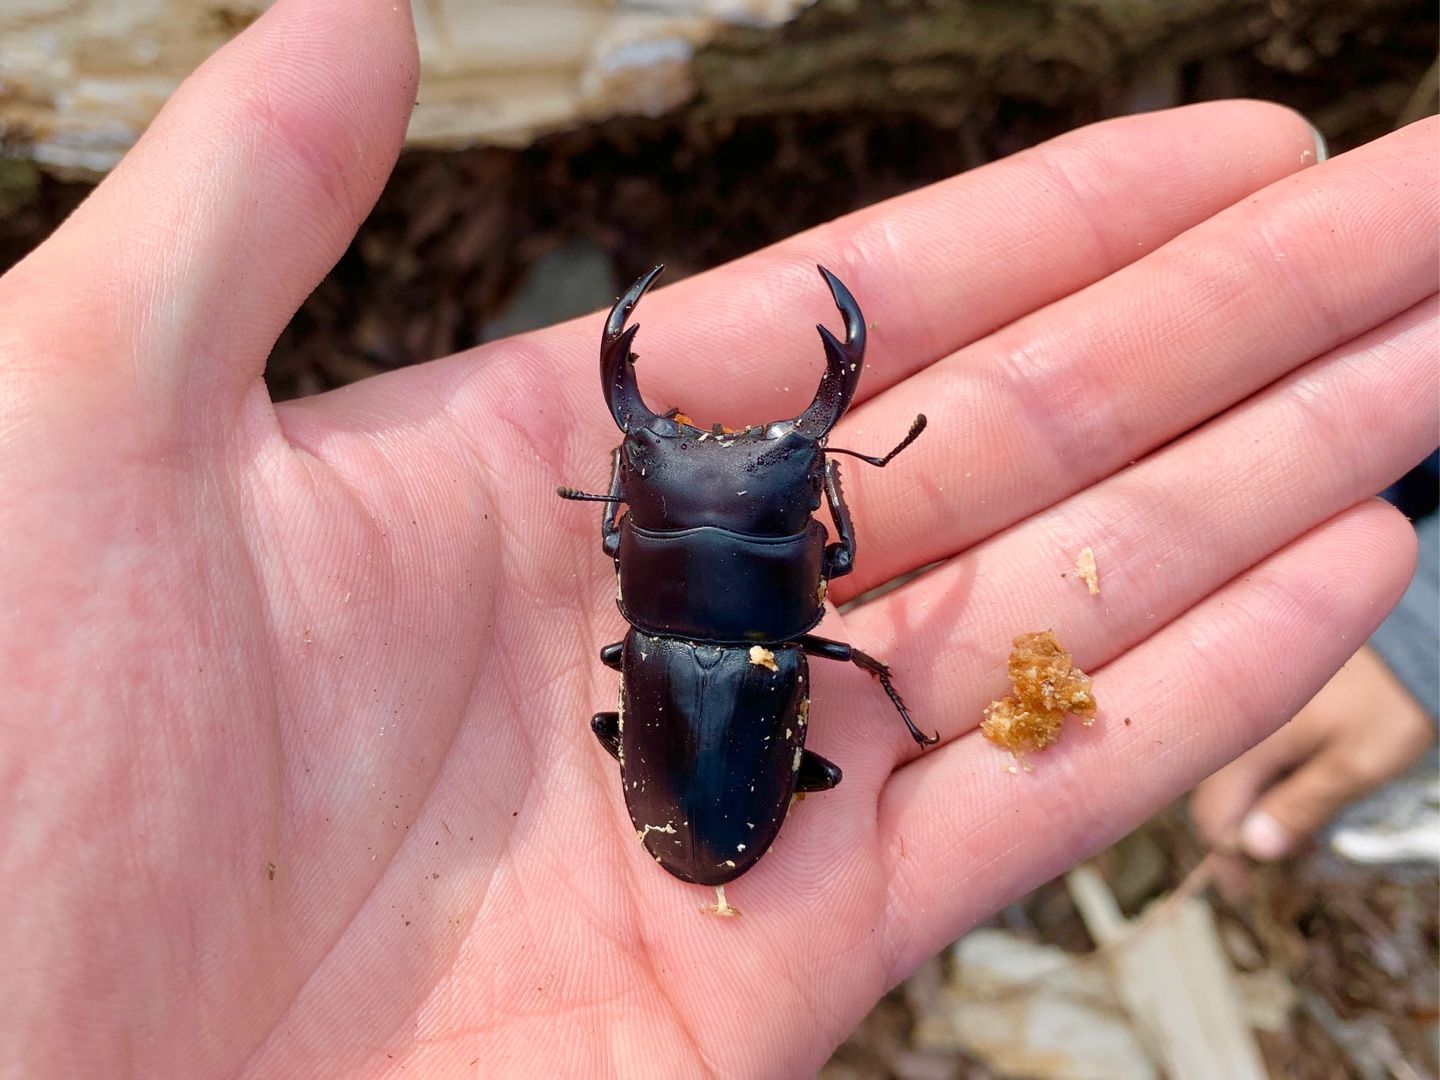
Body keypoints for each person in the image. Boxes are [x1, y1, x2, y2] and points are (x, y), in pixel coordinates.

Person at [0, 0, 1434, 1074]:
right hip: (723, 742)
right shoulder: (763, 607)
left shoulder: (657, 609)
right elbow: (838, 606)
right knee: (831, 671)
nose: (736, 479)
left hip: (709, 733)